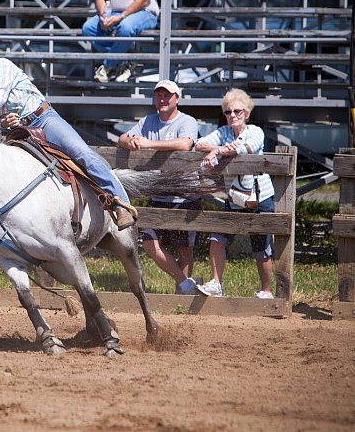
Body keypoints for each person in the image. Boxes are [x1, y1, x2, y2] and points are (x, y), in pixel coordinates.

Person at [0, 29, 137, 230]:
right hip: (13, 133)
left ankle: (120, 204)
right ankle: (0, 229)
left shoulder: (3, 66)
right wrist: (3, 125)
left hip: (42, 120)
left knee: (81, 153)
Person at [117, 79, 202, 295]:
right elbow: (122, 138)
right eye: (159, 95)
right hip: (157, 191)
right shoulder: (148, 121)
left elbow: (185, 144)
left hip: (184, 193)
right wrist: (131, 142)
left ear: (177, 99)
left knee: (184, 248)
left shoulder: (188, 121)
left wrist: (147, 144)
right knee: (148, 242)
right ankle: (185, 285)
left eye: (167, 96)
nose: (162, 100)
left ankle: (181, 292)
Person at [195, 89, 276, 299]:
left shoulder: (256, 131)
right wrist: (218, 148)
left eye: (237, 111)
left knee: (262, 245)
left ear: (246, 114)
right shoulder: (223, 132)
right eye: (228, 111)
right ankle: (216, 284)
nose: (232, 115)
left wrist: (217, 151)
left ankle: (266, 290)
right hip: (235, 196)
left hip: (259, 196)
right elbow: (198, 144)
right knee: (217, 237)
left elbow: (246, 148)